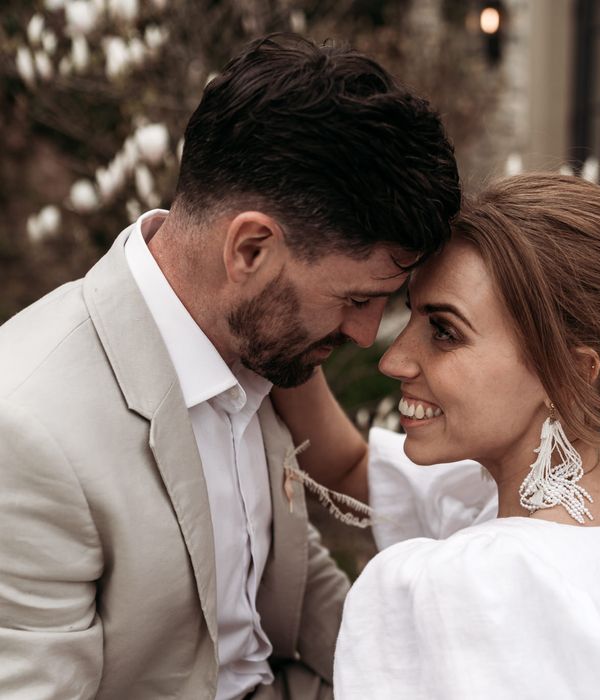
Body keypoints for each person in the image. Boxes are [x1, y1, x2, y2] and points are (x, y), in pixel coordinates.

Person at [0, 34, 460, 700]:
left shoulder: (260, 343)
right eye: (357, 300)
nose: (367, 336)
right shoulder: (29, 429)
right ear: (249, 249)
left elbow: (285, 583)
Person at [273, 173, 600, 700]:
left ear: (574, 374)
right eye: (409, 314)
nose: (394, 359)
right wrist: (282, 325)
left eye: (444, 331)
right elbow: (349, 467)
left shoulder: (489, 583)